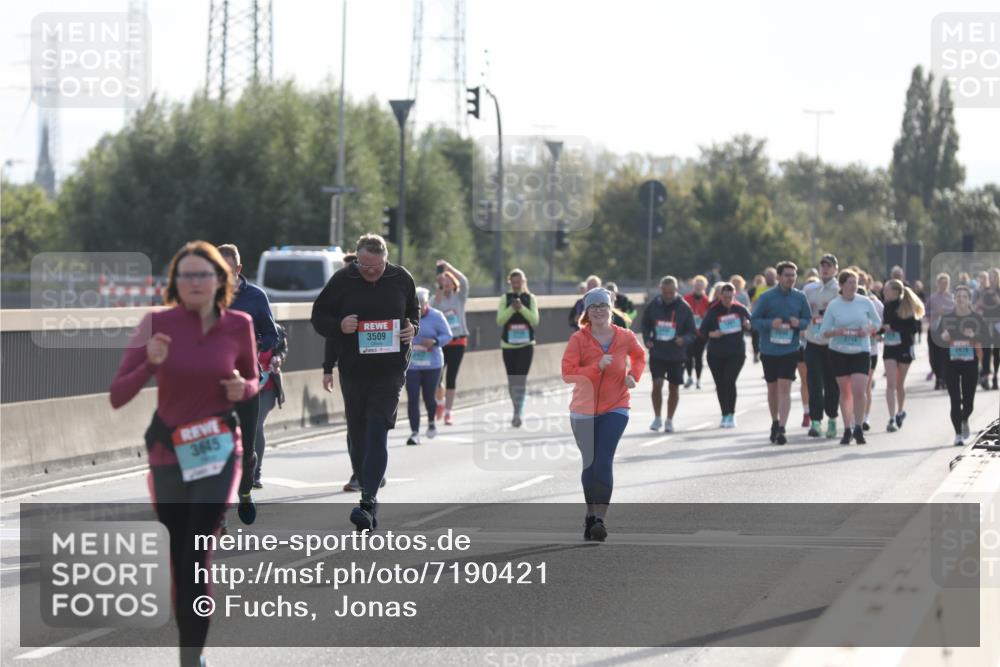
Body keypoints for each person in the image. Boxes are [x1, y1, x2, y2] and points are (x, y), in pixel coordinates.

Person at [110, 241, 258, 667]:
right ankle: (189, 650)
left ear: (220, 280)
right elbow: (119, 395)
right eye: (186, 275)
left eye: (203, 274)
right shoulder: (156, 323)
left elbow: (251, 379)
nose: (195, 282)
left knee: (197, 551)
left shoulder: (239, 324)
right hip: (169, 453)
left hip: (217, 449)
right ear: (175, 283)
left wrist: (242, 389)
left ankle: (191, 658)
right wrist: (149, 365)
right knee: (180, 556)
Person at [311, 234, 419, 531]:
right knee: (357, 436)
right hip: (354, 370)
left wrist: (413, 328)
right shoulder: (343, 279)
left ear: (386, 259)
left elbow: (413, 310)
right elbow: (318, 316)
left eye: (374, 266)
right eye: (362, 265)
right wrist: (339, 326)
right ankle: (363, 483)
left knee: (376, 431)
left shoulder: (401, 278)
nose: (368, 271)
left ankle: (368, 501)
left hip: (390, 370)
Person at [562, 288, 645, 542]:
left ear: (611, 309)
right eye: (593, 306)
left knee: (603, 460)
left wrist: (633, 376)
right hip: (583, 409)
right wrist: (595, 368)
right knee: (590, 462)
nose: (598, 310)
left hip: (616, 406)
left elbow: (640, 356)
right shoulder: (579, 339)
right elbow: (568, 373)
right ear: (587, 312)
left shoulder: (625, 336)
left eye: (603, 305)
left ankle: (600, 519)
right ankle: (590, 513)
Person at [217, 243, 282, 497]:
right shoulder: (202, 296)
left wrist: (252, 345)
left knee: (247, 439)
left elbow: (272, 335)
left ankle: (245, 488)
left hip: (246, 378)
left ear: (238, 268)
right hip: (211, 381)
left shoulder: (255, 296)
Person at [750, 261, 811, 445]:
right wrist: (770, 324)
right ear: (778, 277)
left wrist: (798, 323)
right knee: (772, 389)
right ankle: (775, 422)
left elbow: (807, 319)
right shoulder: (767, 297)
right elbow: (754, 321)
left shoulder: (800, 297)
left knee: (785, 387)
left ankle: (783, 428)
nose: (790, 278)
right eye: (787, 275)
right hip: (769, 349)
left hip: (790, 349)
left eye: (793, 275)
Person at [821, 269, 882, 445]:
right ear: (841, 285)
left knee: (859, 390)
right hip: (839, 351)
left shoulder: (865, 302)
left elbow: (877, 322)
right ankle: (847, 429)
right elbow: (824, 332)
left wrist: (868, 330)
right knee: (845, 392)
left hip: (861, 351)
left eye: (856, 283)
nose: (854, 286)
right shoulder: (834, 305)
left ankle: (858, 427)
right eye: (850, 283)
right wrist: (836, 331)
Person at [641, 276, 696, 432]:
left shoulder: (684, 307)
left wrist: (683, 339)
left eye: (671, 292)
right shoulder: (653, 305)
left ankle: (669, 420)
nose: (668, 296)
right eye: (665, 292)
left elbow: (692, 332)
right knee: (657, 384)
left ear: (676, 290)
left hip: (676, 354)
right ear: (661, 290)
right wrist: (647, 339)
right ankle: (657, 418)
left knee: (674, 387)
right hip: (658, 352)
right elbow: (644, 324)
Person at [937, 285, 986, 445]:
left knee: (969, 401)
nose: (961, 299)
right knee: (955, 399)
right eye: (958, 296)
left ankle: (965, 419)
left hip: (970, 363)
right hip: (951, 362)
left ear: (968, 300)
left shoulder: (976, 318)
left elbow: (986, 337)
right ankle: (958, 434)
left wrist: (975, 335)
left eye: (964, 297)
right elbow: (937, 338)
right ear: (954, 299)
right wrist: (943, 337)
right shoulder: (947, 318)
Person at [699, 282, 752, 427]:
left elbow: (753, 326)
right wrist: (712, 334)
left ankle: (732, 414)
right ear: (720, 296)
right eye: (725, 297)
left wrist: (748, 325)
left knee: (729, 380)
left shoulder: (740, 309)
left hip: (736, 352)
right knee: (720, 384)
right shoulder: (713, 310)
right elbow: (702, 331)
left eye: (730, 297)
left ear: (734, 296)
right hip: (716, 354)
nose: (728, 300)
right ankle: (725, 414)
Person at [405, 287, 453, 445]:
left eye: (422, 304)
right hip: (412, 364)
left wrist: (434, 342)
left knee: (428, 397)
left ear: (427, 303)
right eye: (416, 304)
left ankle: (431, 421)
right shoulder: (406, 316)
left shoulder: (436, 316)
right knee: (412, 399)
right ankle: (414, 433)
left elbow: (448, 335)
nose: (420, 308)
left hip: (432, 363)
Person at [802, 255, 842, 439]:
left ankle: (832, 419)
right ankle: (816, 422)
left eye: (829, 266)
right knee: (814, 382)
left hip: (833, 345)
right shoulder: (809, 289)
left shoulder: (839, 289)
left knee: (832, 384)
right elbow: (802, 312)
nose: (825, 269)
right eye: (822, 266)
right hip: (813, 342)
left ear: (835, 268)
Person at [497, 269, 540, 427]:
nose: (516, 285)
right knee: (511, 379)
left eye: (519, 282)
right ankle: (516, 408)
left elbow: (534, 320)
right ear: (510, 283)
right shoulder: (505, 298)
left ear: (524, 282)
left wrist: (521, 308)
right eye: (513, 282)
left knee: (520, 380)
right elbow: (500, 321)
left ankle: (518, 413)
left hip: (526, 345)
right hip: (508, 345)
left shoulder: (531, 298)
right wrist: (511, 309)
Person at [880, 278, 925, 431]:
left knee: (899, 384)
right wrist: (880, 331)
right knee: (890, 384)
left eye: (887, 290)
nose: (884, 292)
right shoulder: (885, 306)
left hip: (905, 347)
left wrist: (893, 327)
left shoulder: (906, 306)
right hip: (890, 348)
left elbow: (913, 328)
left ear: (896, 292)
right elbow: (883, 325)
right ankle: (891, 418)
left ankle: (900, 411)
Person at [432, 259, 470, 424]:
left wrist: (449, 268)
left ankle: (448, 412)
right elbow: (432, 308)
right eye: (443, 282)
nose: (446, 285)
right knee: (436, 377)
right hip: (442, 342)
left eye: (449, 282)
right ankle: (439, 404)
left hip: (458, 342)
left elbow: (464, 281)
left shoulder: (459, 298)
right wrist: (439, 288)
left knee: (451, 378)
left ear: (453, 284)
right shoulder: (437, 299)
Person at [926, 273, 955, 389]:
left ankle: (943, 379)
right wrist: (935, 313)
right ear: (937, 284)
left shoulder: (952, 298)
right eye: (942, 283)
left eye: (946, 283)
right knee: (934, 356)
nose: (944, 285)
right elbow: (925, 313)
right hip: (934, 329)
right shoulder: (932, 298)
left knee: (945, 355)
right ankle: (938, 377)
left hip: (947, 331)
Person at [683, 275, 710, 389]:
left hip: (701, 333)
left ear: (704, 286)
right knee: (688, 356)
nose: (698, 287)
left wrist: (704, 317)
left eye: (701, 285)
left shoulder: (707, 300)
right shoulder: (686, 298)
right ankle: (689, 378)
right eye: (696, 285)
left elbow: (709, 316)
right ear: (693, 286)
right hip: (689, 332)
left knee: (699, 357)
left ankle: (698, 380)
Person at [975, 268, 1000, 390]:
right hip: (986, 323)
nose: (991, 279)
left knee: (997, 352)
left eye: (994, 276)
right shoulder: (984, 291)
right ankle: (985, 376)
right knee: (986, 351)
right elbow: (977, 306)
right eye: (990, 277)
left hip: (998, 324)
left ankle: (995, 376)